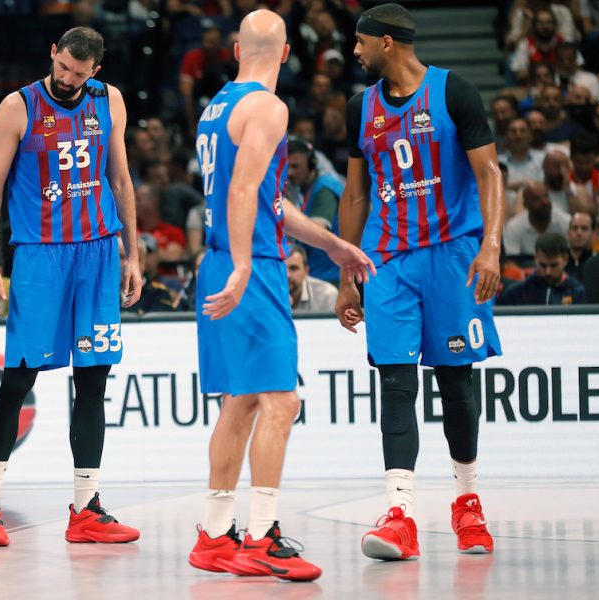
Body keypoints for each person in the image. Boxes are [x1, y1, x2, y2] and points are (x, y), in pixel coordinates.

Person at [188, 10, 373, 582]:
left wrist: (331, 244)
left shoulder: (216, 107)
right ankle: (263, 536)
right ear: (287, 52)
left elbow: (266, 200)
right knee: (281, 402)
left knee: (242, 401)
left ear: (237, 51)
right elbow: (244, 191)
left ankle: (215, 535)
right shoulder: (268, 107)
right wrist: (246, 264)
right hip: (250, 264)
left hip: (217, 259)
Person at [337, 3, 505, 561]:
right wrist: (346, 275)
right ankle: (400, 514)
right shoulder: (360, 108)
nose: (354, 51)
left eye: (360, 42)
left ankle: (467, 503)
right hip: (388, 260)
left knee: (456, 382)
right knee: (395, 380)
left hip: (452, 254)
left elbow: (489, 173)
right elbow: (355, 195)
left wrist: (491, 246)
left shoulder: (454, 92)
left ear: (386, 42)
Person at [0, 26, 143, 548]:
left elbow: (120, 180)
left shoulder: (109, 100)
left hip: (98, 252)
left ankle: (86, 508)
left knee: (93, 381)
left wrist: (134, 254)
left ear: (96, 70)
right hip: (39, 256)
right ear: (53, 54)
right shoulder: (17, 107)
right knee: (18, 380)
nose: (68, 78)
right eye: (63, 67)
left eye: (79, 72)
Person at [287, 137, 342, 284]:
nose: (290, 172)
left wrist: (286, 228)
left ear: (311, 164)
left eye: (295, 166)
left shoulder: (325, 189)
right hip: (317, 275)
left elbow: (318, 230)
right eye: (287, 166)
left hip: (329, 279)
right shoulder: (304, 190)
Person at [498, 232, 586, 304]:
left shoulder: (578, 292)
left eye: (554, 265)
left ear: (565, 260)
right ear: (535, 259)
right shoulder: (516, 293)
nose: (548, 272)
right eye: (543, 265)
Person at [503, 182, 572, 256]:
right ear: (526, 205)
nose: (545, 202)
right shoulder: (514, 227)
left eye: (546, 196)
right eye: (537, 199)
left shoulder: (566, 222)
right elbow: (511, 259)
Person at [286, 244, 338, 312]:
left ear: (306, 271)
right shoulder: (270, 294)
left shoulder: (326, 295)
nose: (287, 275)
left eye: (293, 268)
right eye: (281, 269)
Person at [565, 211, 597, 282]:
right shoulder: (558, 264)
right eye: (574, 228)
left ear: (593, 234)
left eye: (584, 228)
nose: (579, 233)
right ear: (568, 233)